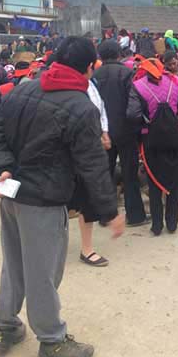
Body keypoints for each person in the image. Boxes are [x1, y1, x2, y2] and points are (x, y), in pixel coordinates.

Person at [0, 36, 125, 357]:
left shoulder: (23, 89)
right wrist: (109, 211)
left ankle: (7, 325)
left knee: (14, 262)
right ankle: (52, 340)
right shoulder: (81, 108)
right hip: (42, 200)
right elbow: (93, 165)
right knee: (43, 272)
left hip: (9, 193)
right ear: (90, 67)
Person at [126, 58, 178, 235]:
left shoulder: (138, 86)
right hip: (175, 137)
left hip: (152, 139)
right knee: (174, 179)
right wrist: (177, 116)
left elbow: (132, 114)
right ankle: (172, 224)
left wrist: (147, 119)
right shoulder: (176, 81)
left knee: (154, 181)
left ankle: (157, 226)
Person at [93, 40, 148, 227]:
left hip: (103, 133)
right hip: (125, 130)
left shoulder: (95, 75)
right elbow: (134, 104)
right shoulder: (127, 73)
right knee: (130, 173)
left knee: (105, 172)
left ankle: (105, 215)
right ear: (119, 54)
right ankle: (135, 216)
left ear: (100, 56)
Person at [68, 66, 113, 268]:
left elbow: (100, 108)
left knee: (86, 198)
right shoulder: (58, 89)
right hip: (64, 153)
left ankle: (87, 249)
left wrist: (103, 131)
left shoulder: (90, 85)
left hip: (88, 148)